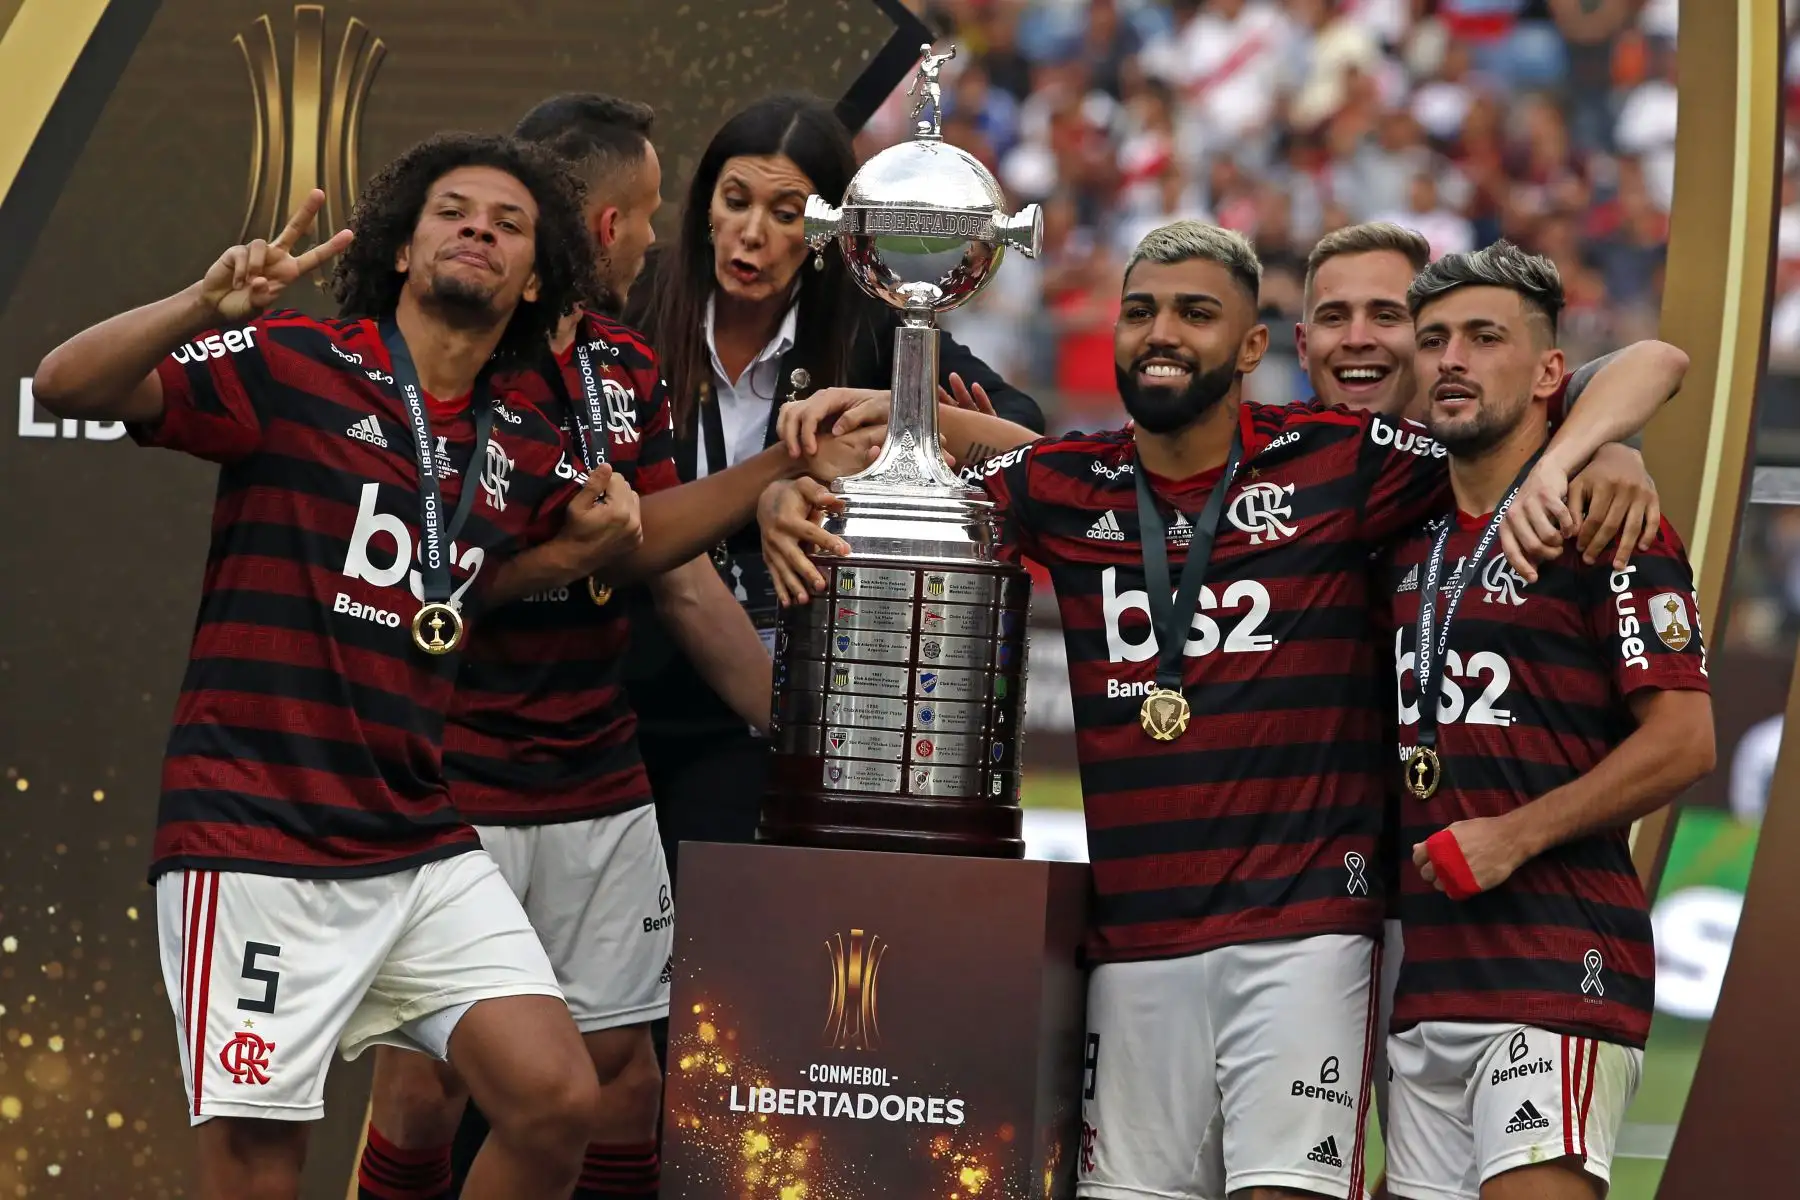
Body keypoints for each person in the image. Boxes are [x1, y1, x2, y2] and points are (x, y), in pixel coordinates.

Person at [758, 220, 1675, 1200]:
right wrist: (793, 495)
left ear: (1248, 348)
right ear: (1295, 342)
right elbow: (1048, 472)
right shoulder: (1072, 486)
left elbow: (1636, 367)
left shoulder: (1356, 459)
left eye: (1196, 313)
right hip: (1140, 942)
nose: (1164, 332)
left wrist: (1596, 451)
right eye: (1142, 311)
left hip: (1320, 929)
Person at [29, 135, 644, 1199]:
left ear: (537, 278)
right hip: (256, 833)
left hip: (414, 836)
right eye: (453, 212)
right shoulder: (294, 362)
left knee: (556, 1100)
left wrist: (632, 531)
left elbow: (479, 579)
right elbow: (66, 384)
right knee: (263, 1167)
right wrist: (198, 303)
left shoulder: (522, 440)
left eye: (507, 225)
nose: (477, 232)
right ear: (404, 249)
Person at [356, 96, 874, 1200]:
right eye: (646, 215)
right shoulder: (450, 363)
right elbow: (449, 575)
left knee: (626, 1080)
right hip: (458, 776)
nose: (659, 239)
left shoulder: (624, 365)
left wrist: (792, 726)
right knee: (421, 1086)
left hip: (597, 774)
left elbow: (666, 562)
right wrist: (742, 493)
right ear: (600, 228)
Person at [1291, 219, 1683, 1200]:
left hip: (1557, 968)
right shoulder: (1403, 536)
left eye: (1484, 337)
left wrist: (1515, 834)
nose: (1453, 359)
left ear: (1553, 372)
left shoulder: (1601, 518)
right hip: (1426, 984)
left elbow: (1684, 741)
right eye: (1436, 342)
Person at [621, 91, 1045, 883]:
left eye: (788, 213)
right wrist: (787, 476)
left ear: (826, 234)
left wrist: (901, 407)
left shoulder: (871, 322)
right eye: (736, 202)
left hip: (773, 711)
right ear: (703, 206)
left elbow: (1024, 433)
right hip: (626, 688)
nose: (753, 234)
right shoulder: (637, 310)